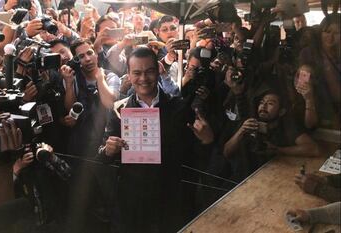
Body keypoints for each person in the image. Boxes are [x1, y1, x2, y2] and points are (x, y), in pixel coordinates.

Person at [97, 47, 213, 233]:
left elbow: (195, 157)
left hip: (172, 200)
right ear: (128, 74)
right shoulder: (120, 110)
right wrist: (108, 150)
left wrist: (207, 141)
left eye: (149, 71)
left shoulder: (180, 108)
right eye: (137, 73)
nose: (143, 79)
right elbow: (101, 155)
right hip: (133, 203)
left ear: (158, 71)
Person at [223, 91, 320, 181]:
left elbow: (313, 149)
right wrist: (241, 131)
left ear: (281, 111)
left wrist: (278, 150)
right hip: (243, 179)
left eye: (270, 103)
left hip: (273, 176)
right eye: (261, 102)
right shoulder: (249, 123)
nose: (263, 106)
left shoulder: (287, 126)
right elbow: (227, 152)